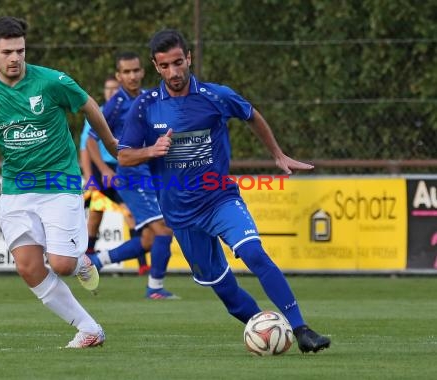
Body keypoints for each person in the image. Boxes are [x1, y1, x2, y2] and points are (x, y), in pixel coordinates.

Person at [117, 29, 331, 353]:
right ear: (155, 67)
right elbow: (124, 155)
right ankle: (266, 329)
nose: (174, 73)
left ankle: (301, 329)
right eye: (165, 66)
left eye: (178, 63)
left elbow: (251, 115)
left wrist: (277, 154)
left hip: (219, 199)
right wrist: (151, 150)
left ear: (188, 58)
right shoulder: (145, 106)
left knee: (254, 253)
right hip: (181, 215)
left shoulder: (216, 96)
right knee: (226, 292)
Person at [0, 16, 115, 349]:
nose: (15, 58)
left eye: (20, 51)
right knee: (27, 267)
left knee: (63, 265)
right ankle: (89, 328)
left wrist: (112, 145)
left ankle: (79, 258)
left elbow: (89, 106)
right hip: (16, 188)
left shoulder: (52, 82)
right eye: (7, 51)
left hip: (59, 181)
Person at [87, 51, 177, 299]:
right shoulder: (115, 104)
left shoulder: (150, 98)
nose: (132, 76)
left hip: (149, 173)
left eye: (136, 70)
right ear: (118, 76)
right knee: (164, 229)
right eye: (126, 72)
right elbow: (90, 141)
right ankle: (155, 289)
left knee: (148, 239)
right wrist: (105, 170)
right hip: (131, 175)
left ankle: (96, 260)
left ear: (143, 71)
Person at [79, 76, 150, 275]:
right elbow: (85, 147)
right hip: (100, 169)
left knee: (129, 212)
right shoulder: (97, 113)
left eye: (114, 89)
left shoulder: (127, 111)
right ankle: (88, 259)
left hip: (120, 168)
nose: (111, 93)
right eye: (107, 89)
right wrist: (90, 177)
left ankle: (142, 264)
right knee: (95, 214)